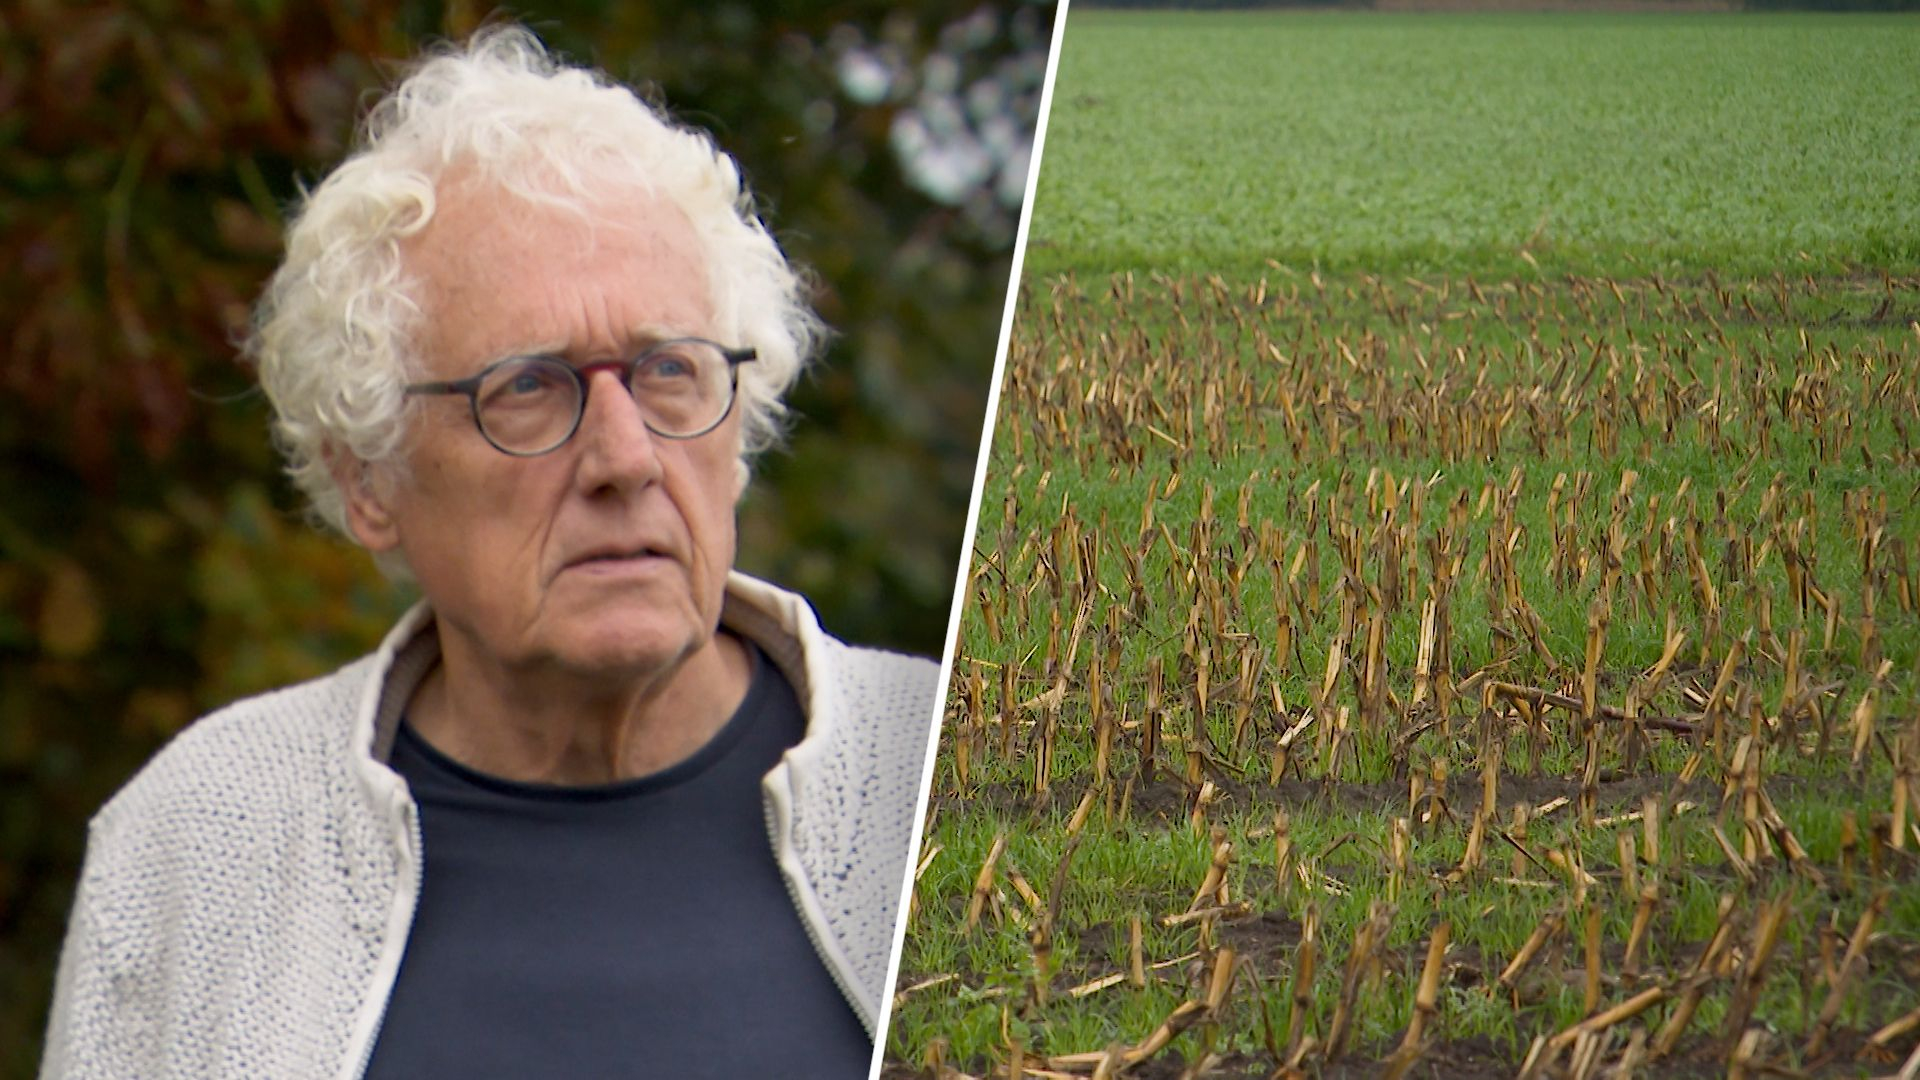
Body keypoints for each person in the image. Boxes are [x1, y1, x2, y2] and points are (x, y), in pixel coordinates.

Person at [41, 27, 940, 1080]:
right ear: (367, 481)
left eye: (667, 372)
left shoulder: (953, 766)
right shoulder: (205, 837)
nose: (624, 458)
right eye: (526, 387)